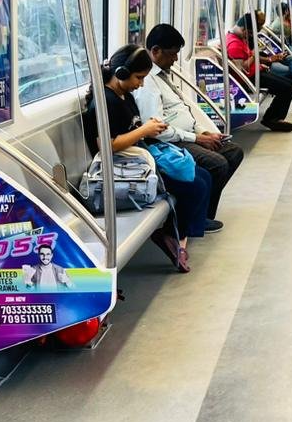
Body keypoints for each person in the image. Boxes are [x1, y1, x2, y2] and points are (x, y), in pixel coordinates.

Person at [83, 44, 211, 273]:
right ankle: (172, 235)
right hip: (123, 167)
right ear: (122, 73)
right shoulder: (105, 103)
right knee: (195, 186)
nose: (141, 84)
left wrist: (150, 128)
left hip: (139, 158)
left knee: (203, 175)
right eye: (139, 78)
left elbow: (133, 128)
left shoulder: (125, 96)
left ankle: (177, 234)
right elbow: (108, 146)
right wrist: (144, 131)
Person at [138, 23, 243, 231]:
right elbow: (158, 129)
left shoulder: (163, 74)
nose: (175, 59)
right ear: (156, 51)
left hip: (187, 135)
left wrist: (202, 132)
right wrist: (198, 139)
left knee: (233, 152)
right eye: (172, 54)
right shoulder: (147, 82)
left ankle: (204, 213)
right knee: (217, 164)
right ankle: (196, 219)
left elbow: (180, 112)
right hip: (167, 142)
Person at [226, 13, 292, 131]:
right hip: (251, 78)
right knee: (287, 87)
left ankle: (275, 118)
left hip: (257, 72)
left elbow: (248, 60)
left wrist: (264, 61)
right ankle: (272, 119)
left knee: (289, 83)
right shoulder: (234, 44)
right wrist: (254, 56)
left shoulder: (237, 38)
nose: (249, 36)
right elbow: (241, 70)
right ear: (245, 30)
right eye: (249, 33)